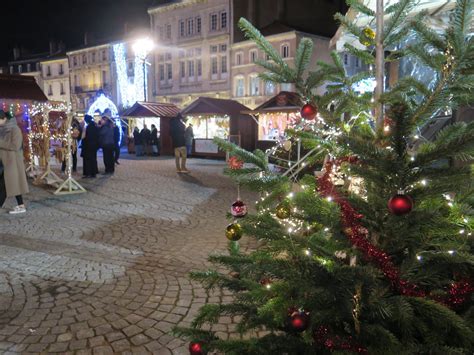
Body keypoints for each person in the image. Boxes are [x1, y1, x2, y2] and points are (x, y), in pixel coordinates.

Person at [0, 110, 29, 214]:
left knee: (4, 185)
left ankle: (20, 206)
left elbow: (15, 146)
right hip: (4, 162)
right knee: (11, 184)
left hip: (12, 162)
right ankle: (21, 205)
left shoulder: (15, 129)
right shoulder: (2, 129)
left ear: (3, 118)